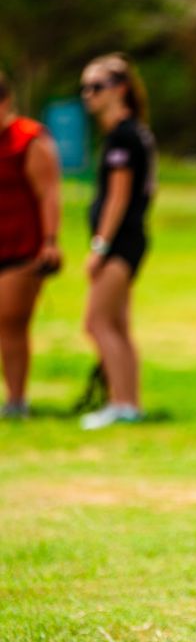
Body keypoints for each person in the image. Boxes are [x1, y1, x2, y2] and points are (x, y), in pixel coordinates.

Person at [79, 52, 156, 430]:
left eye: (96, 86)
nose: (88, 95)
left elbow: (118, 197)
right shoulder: (127, 132)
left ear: (120, 88)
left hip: (121, 243)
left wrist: (100, 246)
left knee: (96, 323)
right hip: (128, 241)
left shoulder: (124, 135)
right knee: (117, 324)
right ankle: (128, 403)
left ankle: (121, 402)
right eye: (85, 88)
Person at [0, 70, 62, 418]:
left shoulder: (29, 138)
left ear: (6, 102)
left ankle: (16, 400)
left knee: (9, 322)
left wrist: (50, 241)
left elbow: (49, 193)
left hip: (22, 248)